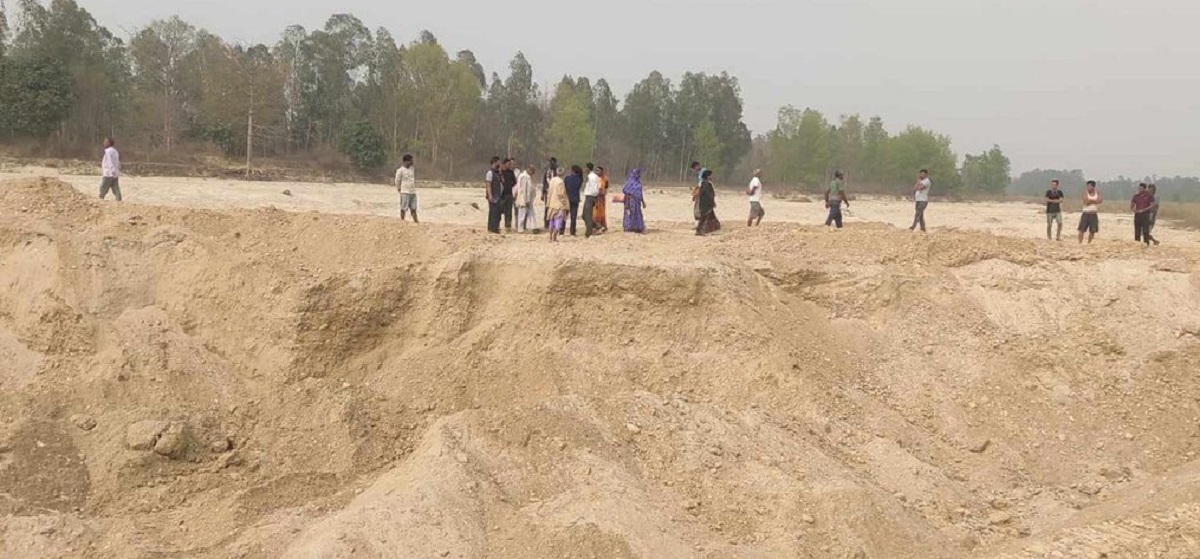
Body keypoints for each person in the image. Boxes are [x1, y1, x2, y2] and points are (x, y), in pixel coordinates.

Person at [546, 169, 569, 243]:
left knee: (551, 221)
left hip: (552, 203)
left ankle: (550, 238)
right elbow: (561, 194)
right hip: (559, 204)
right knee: (558, 222)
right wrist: (564, 202)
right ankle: (554, 237)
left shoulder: (552, 180)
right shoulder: (561, 182)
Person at [516, 164, 540, 233]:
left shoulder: (528, 176)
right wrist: (526, 200)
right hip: (524, 199)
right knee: (522, 214)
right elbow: (523, 190)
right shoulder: (524, 176)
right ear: (529, 170)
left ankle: (534, 227)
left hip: (529, 199)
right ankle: (520, 229)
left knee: (531, 214)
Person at [695, 169, 720, 236]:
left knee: (707, 217)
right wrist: (712, 201)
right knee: (704, 217)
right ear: (707, 176)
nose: (711, 177)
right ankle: (699, 230)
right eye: (710, 175)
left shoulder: (708, 184)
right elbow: (706, 194)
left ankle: (702, 230)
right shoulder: (704, 184)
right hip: (705, 203)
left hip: (708, 203)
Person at [395, 154, 418, 223]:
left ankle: (416, 221)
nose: (412, 162)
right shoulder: (400, 170)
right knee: (403, 208)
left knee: (414, 208)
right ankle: (402, 220)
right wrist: (399, 188)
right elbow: (397, 180)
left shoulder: (412, 169)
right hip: (405, 191)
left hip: (412, 191)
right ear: (406, 161)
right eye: (411, 161)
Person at [623, 168, 647, 233]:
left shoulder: (637, 183)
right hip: (630, 201)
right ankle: (629, 227)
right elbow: (625, 190)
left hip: (635, 202)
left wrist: (643, 202)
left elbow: (640, 194)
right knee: (630, 213)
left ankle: (636, 227)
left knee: (635, 213)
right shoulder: (631, 183)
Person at [484, 156, 503, 234]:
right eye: (498, 162)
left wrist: (500, 173)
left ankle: (495, 227)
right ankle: (492, 228)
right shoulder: (490, 173)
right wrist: (490, 195)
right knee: (493, 212)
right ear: (495, 162)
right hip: (493, 196)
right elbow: (488, 184)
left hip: (498, 196)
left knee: (497, 213)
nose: (500, 163)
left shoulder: (497, 173)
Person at [99, 137, 122, 201]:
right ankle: (119, 200)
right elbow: (117, 162)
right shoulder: (115, 151)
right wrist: (116, 170)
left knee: (103, 189)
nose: (104, 143)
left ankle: (100, 200)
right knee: (116, 189)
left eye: (105, 142)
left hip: (108, 173)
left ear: (109, 143)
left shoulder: (108, 152)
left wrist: (111, 171)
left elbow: (109, 162)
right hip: (115, 173)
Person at [564, 165, 584, 236]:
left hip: (567, 199)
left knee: (564, 216)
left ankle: (561, 230)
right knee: (573, 216)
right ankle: (572, 231)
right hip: (575, 199)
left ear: (572, 170)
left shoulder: (567, 178)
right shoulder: (580, 179)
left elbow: (565, 188)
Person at [583, 163, 600, 238]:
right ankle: (596, 225)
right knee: (584, 215)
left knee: (587, 215)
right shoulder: (592, 176)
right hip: (589, 196)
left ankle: (589, 232)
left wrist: (593, 197)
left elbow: (594, 188)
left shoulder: (592, 177)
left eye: (585, 168)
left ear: (588, 168)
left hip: (590, 196)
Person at [500, 158, 518, 231]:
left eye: (510, 164)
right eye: (508, 164)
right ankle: (497, 225)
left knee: (509, 211)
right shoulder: (500, 172)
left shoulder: (511, 172)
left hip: (509, 194)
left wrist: (509, 186)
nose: (510, 165)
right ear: (504, 164)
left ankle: (508, 226)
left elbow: (514, 182)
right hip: (501, 195)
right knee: (499, 210)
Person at [543, 157, 559, 228]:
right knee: (547, 207)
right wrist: (542, 193)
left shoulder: (558, 171)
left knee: (555, 207)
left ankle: (554, 222)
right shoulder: (547, 171)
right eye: (550, 162)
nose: (551, 164)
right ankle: (546, 222)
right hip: (548, 191)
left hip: (555, 192)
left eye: (552, 162)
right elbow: (544, 182)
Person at [593, 166, 609, 233]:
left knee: (601, 212)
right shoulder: (594, 178)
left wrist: (603, 192)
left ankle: (602, 226)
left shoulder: (605, 179)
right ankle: (596, 226)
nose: (597, 172)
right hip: (595, 197)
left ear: (602, 171)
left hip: (601, 198)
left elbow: (606, 188)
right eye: (596, 170)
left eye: (598, 170)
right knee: (594, 213)